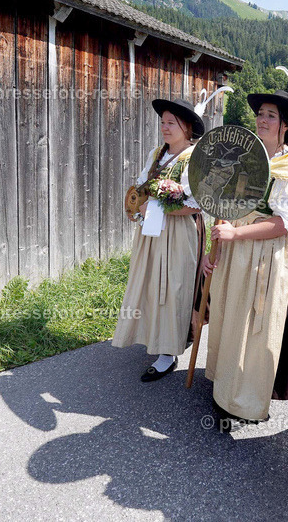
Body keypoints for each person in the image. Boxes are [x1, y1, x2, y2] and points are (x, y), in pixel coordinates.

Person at [203, 75, 288, 430]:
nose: (263, 120)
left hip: (266, 252)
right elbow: (223, 201)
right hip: (235, 247)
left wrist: (236, 233)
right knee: (229, 312)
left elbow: (284, 224)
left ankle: (246, 400)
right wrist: (215, 248)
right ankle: (224, 384)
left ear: (286, 126)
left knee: (256, 323)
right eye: (261, 114)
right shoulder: (246, 156)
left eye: (271, 116)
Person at [112, 97, 206, 381]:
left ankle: (168, 352)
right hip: (151, 231)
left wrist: (155, 206)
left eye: (171, 122)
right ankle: (153, 335)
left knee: (172, 287)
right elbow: (143, 188)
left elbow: (195, 203)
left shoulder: (195, 159)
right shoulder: (157, 153)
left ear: (186, 126)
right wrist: (136, 205)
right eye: (162, 122)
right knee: (151, 283)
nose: (164, 127)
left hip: (178, 233)